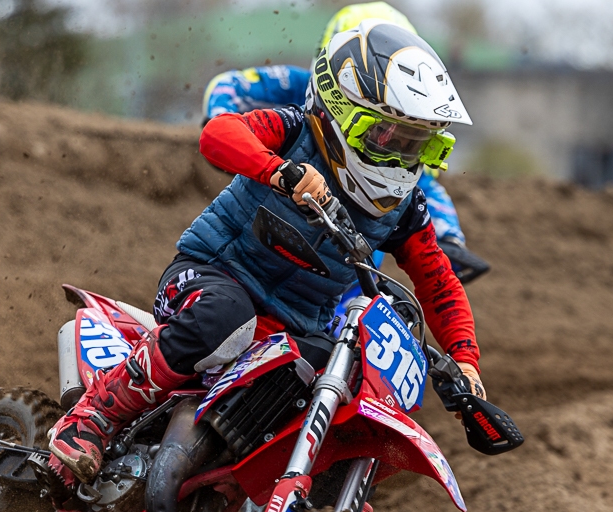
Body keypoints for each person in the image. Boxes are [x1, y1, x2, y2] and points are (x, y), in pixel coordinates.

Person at [48, 19, 485, 486]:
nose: (400, 157)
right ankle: (93, 416)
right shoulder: (297, 130)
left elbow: (438, 280)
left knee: (347, 379)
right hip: (209, 277)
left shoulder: (406, 208)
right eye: (389, 138)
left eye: (417, 145)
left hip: (293, 326)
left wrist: (464, 359)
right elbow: (219, 134)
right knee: (226, 314)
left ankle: (283, 503)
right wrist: (279, 171)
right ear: (342, 111)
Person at [201, 2, 491, 284]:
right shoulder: (300, 85)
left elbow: (423, 189)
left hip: (347, 263)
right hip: (272, 219)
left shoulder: (407, 134)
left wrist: (449, 237)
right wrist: (238, 139)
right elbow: (229, 85)